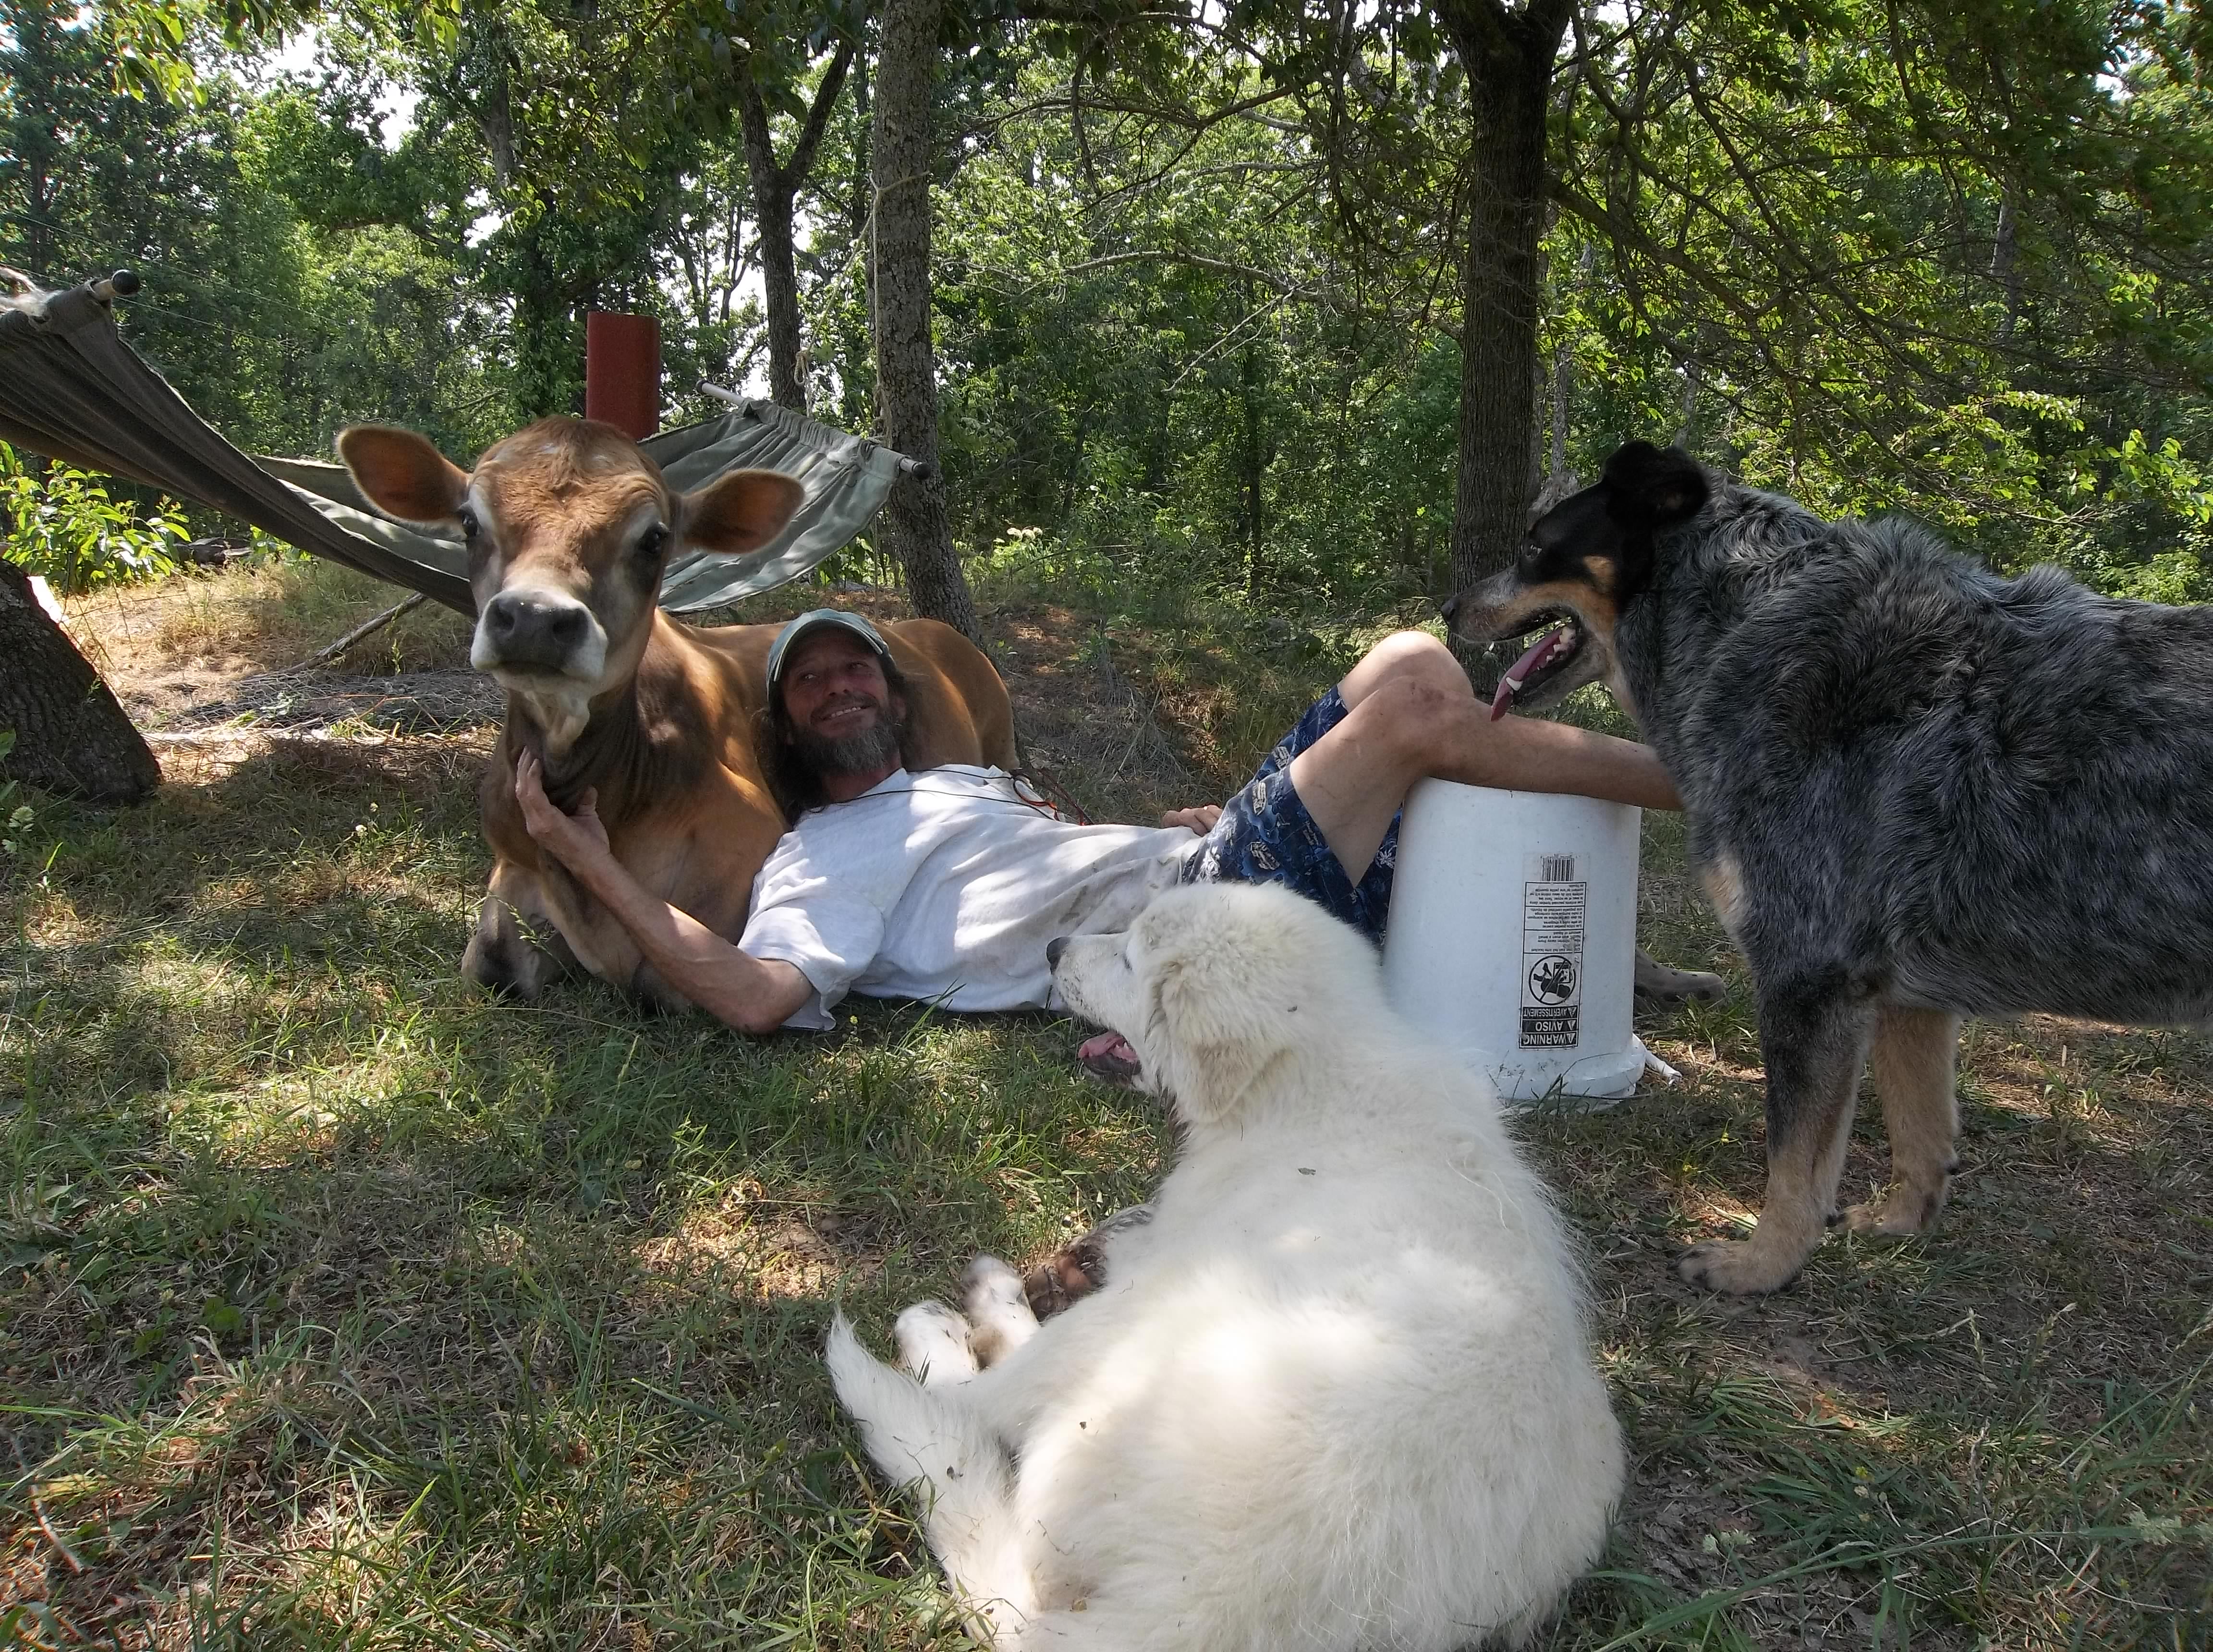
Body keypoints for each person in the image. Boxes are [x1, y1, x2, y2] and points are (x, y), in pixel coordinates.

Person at [512, 608, 1682, 1034]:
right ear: (788, 730)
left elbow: (1051, 866)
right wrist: (586, 858)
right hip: (1200, 933)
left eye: (856, 669)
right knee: (1419, 711)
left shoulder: (957, 787)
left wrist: (1171, 823)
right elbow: (752, 996)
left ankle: (1547, 913)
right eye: (809, 683)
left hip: (1206, 860)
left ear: (896, 698)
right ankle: (1710, 786)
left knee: (1411, 656)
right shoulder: (820, 856)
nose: (839, 687)